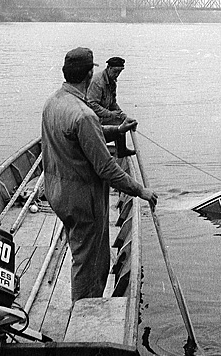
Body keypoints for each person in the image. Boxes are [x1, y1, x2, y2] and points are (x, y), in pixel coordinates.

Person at [41, 47, 158, 302]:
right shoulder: (83, 115)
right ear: (88, 74)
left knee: (80, 252)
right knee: (93, 264)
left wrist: (117, 129)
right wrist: (140, 190)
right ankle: (83, 316)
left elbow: (82, 136)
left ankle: (81, 306)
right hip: (84, 201)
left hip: (58, 194)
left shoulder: (54, 102)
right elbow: (106, 168)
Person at [87, 56, 135, 157]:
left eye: (119, 72)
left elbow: (113, 103)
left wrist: (122, 115)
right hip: (93, 119)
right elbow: (92, 105)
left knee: (122, 121)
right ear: (108, 68)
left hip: (103, 117)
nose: (117, 75)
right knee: (118, 125)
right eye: (115, 72)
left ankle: (121, 150)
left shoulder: (112, 83)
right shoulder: (97, 82)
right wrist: (110, 114)